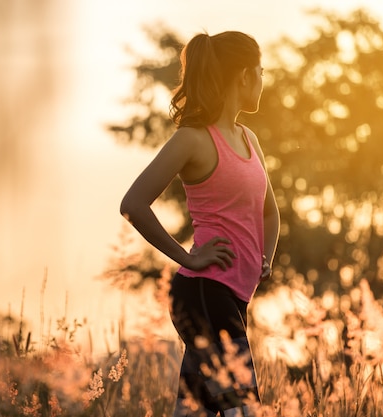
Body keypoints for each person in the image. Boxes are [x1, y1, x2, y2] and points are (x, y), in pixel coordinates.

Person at [120, 31, 280, 417]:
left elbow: (270, 212)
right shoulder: (192, 140)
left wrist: (265, 259)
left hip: (235, 296)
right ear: (243, 76)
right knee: (243, 407)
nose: (262, 80)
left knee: (194, 411)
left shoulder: (248, 138)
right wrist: (188, 258)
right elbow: (133, 204)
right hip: (205, 292)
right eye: (260, 71)